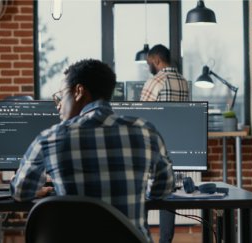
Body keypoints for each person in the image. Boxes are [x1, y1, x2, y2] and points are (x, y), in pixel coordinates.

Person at [11, 59, 174, 242]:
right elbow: (164, 188)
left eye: (61, 96)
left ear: (79, 91)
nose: (58, 105)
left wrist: (41, 189)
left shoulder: (49, 138)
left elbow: (20, 192)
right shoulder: (146, 132)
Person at [140, 44, 190, 243]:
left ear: (157, 60)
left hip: (153, 146)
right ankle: (165, 241)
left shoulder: (155, 81)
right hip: (177, 144)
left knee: (143, 192)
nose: (149, 67)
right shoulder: (184, 81)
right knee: (169, 192)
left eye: (149, 63)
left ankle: (141, 237)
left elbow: (141, 114)